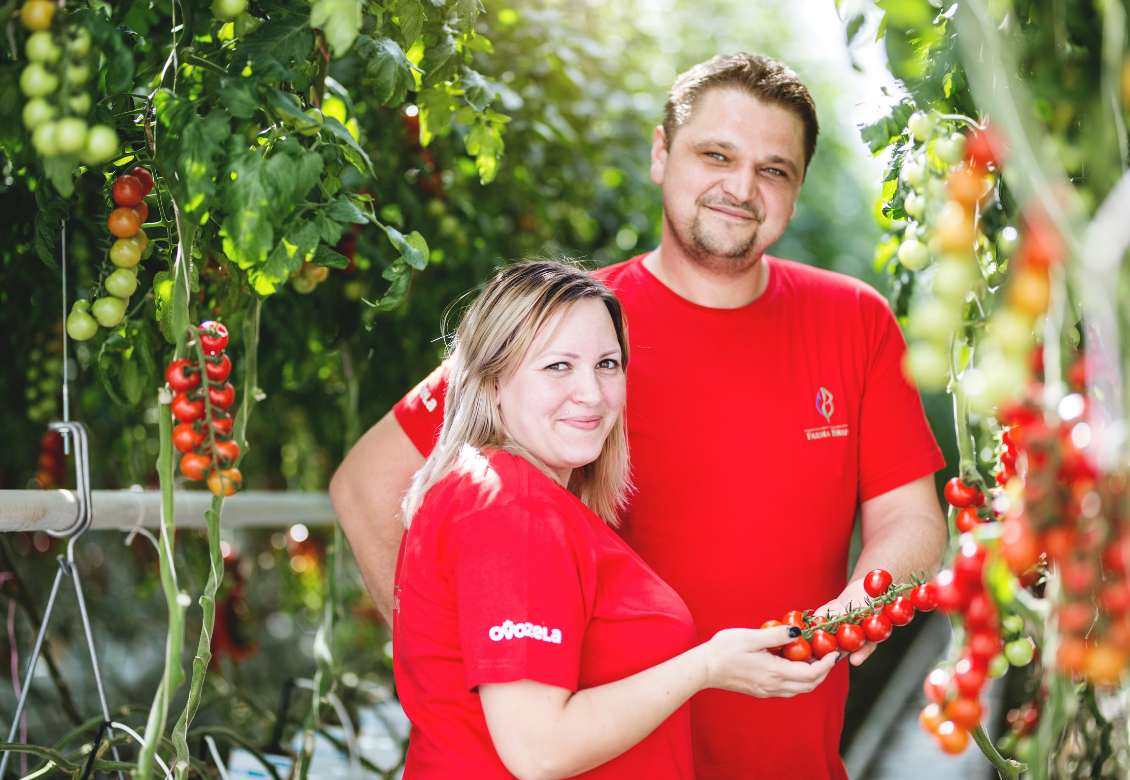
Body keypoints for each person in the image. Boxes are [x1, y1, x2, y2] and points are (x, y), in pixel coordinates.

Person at [333, 53, 947, 780]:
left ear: (797, 188)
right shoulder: (568, 329)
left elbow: (912, 522)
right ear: (661, 155)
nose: (740, 187)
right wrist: (473, 675)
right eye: (715, 154)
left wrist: (859, 607)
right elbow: (368, 485)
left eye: (773, 169)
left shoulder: (854, 322)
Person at [394, 261, 837, 779]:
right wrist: (708, 666)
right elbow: (540, 750)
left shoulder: (502, 493)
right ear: (493, 381)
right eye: (558, 366)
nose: (593, 393)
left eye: (607, 364)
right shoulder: (511, 510)